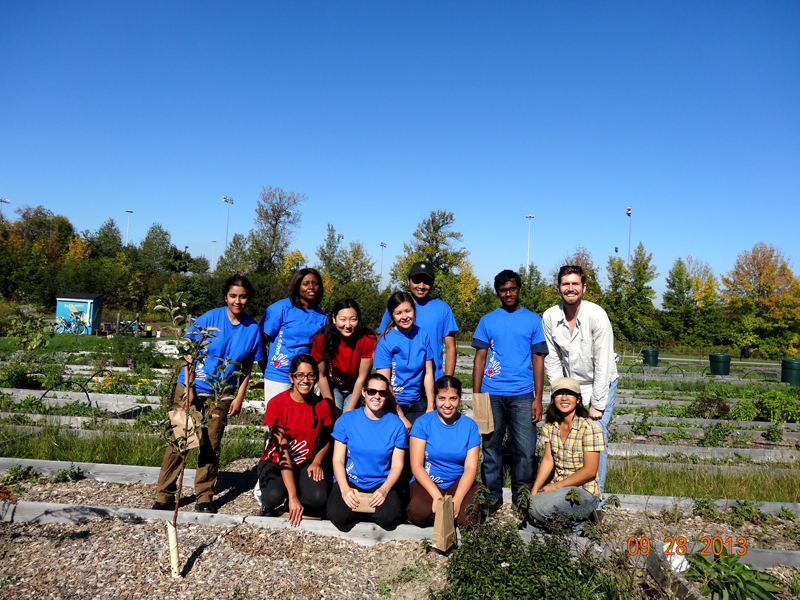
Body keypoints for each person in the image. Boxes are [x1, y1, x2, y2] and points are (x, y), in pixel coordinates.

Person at [152, 274, 263, 514]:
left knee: (210, 445)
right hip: (190, 387)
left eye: (242, 297)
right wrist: (189, 386)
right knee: (180, 441)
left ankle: (204, 495)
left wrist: (238, 395)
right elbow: (189, 352)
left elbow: (247, 367)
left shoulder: (252, 329)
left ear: (248, 299)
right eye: (233, 296)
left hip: (221, 394)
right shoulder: (210, 318)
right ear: (226, 297)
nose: (237, 301)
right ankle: (165, 494)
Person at [472, 269, 548, 516]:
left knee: (525, 450)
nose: (508, 293)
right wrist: (477, 397)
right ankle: (492, 496)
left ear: (519, 290)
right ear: (498, 292)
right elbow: (480, 358)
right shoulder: (487, 321)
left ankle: (522, 497)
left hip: (523, 395)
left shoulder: (533, 320)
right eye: (503, 290)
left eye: (512, 289)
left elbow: (538, 359)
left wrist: (538, 397)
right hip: (491, 393)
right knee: (490, 448)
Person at [542, 265, 618, 494]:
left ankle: (595, 501)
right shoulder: (550, 316)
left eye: (575, 284)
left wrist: (597, 403)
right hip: (571, 385)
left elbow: (603, 362)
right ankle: (567, 494)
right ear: (559, 288)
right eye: (566, 284)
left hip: (601, 382)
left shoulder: (596, 315)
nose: (570, 288)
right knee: (567, 435)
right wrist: (560, 392)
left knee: (595, 436)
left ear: (584, 287)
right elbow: (552, 359)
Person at [256, 354, 332, 525]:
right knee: (273, 498)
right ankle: (273, 499)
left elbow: (327, 439)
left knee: (318, 498)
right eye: (300, 375)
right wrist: (292, 497)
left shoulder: (322, 405)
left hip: (305, 461)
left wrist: (317, 461)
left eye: (310, 375)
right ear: (291, 377)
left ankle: (300, 489)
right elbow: (283, 453)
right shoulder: (277, 404)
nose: (305, 380)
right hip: (277, 461)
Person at [327, 373, 407, 530]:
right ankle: (362, 510)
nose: (376, 396)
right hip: (351, 479)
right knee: (338, 516)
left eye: (382, 393)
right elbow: (338, 459)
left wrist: (384, 490)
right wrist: (344, 489)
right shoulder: (346, 420)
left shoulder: (396, 425)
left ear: (387, 396)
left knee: (389, 518)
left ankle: (365, 510)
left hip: (381, 481)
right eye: (372, 391)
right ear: (363, 392)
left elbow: (397, 465)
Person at [528, 377, 605, 528]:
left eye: (569, 394)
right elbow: (548, 460)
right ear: (553, 399)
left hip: (584, 491)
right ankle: (575, 527)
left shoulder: (589, 428)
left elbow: (590, 471)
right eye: (559, 394)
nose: (564, 398)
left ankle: (581, 523)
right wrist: (535, 488)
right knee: (532, 513)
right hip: (558, 488)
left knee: (538, 509)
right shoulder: (550, 426)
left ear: (578, 399)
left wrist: (555, 487)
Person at [407, 376, 482, 527]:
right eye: (442, 398)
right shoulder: (423, 423)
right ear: (434, 398)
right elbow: (416, 465)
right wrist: (436, 496)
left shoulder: (469, 426)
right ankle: (443, 518)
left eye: (453, 399)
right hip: (429, 480)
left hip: (457, 481)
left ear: (459, 399)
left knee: (468, 519)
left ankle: (451, 515)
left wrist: (459, 498)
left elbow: (471, 467)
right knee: (418, 512)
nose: (447, 404)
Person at [258, 268, 327, 408]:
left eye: (315, 283)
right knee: (277, 424)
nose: (311, 287)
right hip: (279, 376)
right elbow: (260, 342)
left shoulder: (322, 317)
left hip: (306, 379)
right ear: (297, 286)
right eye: (306, 283)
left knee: (304, 422)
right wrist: (266, 368)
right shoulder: (280, 309)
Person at [378, 261, 458, 380]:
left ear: (432, 283)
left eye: (426, 281)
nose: (421, 285)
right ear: (408, 281)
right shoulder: (396, 307)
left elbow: (451, 348)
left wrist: (447, 381)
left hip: (433, 380)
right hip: (400, 384)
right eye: (416, 281)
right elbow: (383, 342)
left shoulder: (442, 308)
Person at [374, 291, 435, 431]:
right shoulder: (385, 342)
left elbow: (428, 374)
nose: (404, 317)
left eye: (408, 311)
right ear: (392, 315)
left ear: (414, 310)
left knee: (421, 442)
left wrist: (430, 408)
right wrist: (401, 416)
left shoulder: (423, 335)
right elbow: (385, 383)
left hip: (417, 403)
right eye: (398, 313)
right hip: (392, 403)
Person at [310, 298, 377, 414]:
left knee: (348, 419)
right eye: (343, 319)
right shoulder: (321, 339)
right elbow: (321, 376)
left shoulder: (368, 339)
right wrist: (331, 407)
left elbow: (362, 377)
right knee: (332, 420)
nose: (348, 325)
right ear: (334, 319)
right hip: (333, 387)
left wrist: (349, 410)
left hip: (356, 387)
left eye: (353, 319)